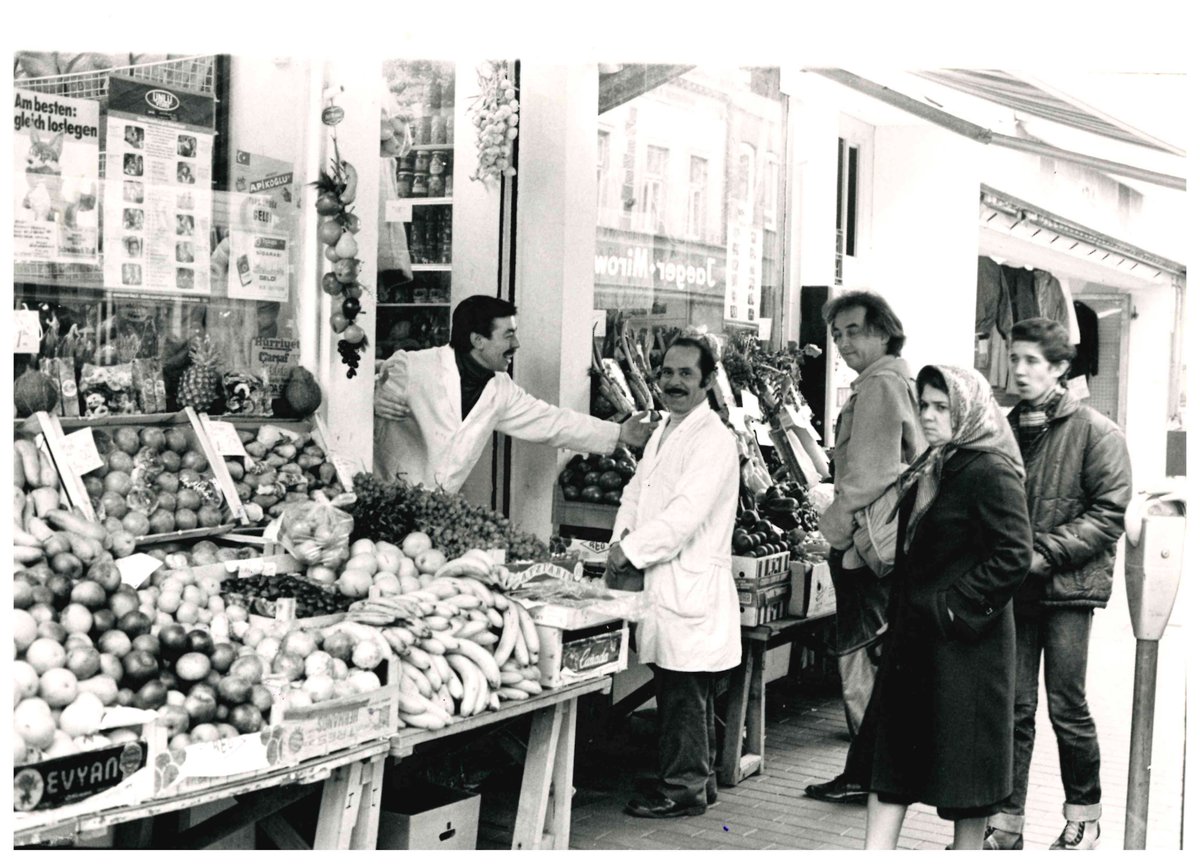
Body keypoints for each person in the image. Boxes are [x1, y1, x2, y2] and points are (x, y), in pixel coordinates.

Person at [861, 365, 1032, 850]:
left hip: (965, 655)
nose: (930, 417)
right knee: (891, 761)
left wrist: (951, 607)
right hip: (916, 646)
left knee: (966, 780)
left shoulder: (990, 470)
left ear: (968, 410)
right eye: (925, 406)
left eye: (942, 407)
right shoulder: (933, 466)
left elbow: (1014, 554)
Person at [984, 318, 1132, 851]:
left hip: (1069, 590)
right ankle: (1005, 821)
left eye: (1031, 361)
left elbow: (1108, 513)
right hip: (1014, 590)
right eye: (1014, 358)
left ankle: (1084, 817)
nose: (1019, 370)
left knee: (1066, 707)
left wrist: (1043, 554)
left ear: (1060, 369)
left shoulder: (1097, 431)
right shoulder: (999, 429)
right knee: (1014, 709)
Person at [609, 335, 742, 819]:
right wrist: (620, 541)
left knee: (686, 691)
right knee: (681, 689)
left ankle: (683, 788)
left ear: (707, 382)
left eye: (687, 374)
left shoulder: (713, 439)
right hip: (663, 581)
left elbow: (684, 516)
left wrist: (631, 551)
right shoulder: (666, 428)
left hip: (689, 584)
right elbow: (636, 492)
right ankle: (694, 781)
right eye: (667, 372)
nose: (673, 382)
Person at [805, 291, 925, 805]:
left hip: (866, 547)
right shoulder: (902, 381)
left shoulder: (879, 387)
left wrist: (833, 530)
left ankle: (869, 772)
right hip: (889, 544)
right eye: (837, 334)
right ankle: (874, 769)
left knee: (860, 659)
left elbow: (867, 476)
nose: (843, 342)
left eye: (854, 330)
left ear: (883, 331)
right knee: (875, 657)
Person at [373, 295, 657, 493]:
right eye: (508, 335)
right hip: (384, 499)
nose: (517, 344)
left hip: (435, 511)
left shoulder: (500, 389)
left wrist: (618, 434)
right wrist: (370, 400)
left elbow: (552, 422)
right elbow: (354, 394)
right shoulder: (413, 368)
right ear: (477, 340)